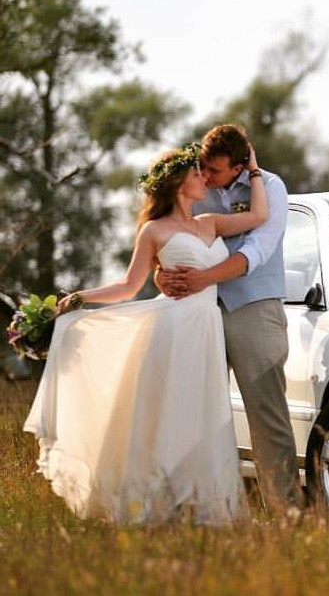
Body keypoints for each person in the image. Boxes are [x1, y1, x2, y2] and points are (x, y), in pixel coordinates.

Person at [23, 141, 268, 524]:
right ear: (179, 184)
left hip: (206, 329)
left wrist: (253, 168)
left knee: (205, 416)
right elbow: (128, 286)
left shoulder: (210, 222)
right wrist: (81, 297)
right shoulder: (154, 230)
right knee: (170, 414)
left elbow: (259, 215)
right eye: (197, 174)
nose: (204, 178)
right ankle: (155, 504)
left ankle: (201, 506)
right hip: (172, 330)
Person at [158, 124, 302, 514]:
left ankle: (285, 512)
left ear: (239, 167)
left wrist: (204, 276)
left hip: (254, 309)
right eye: (202, 166)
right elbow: (168, 240)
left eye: (215, 170)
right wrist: (162, 276)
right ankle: (199, 508)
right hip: (196, 311)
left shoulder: (269, 187)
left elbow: (258, 250)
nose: (205, 175)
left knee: (266, 414)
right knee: (196, 410)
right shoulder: (192, 187)